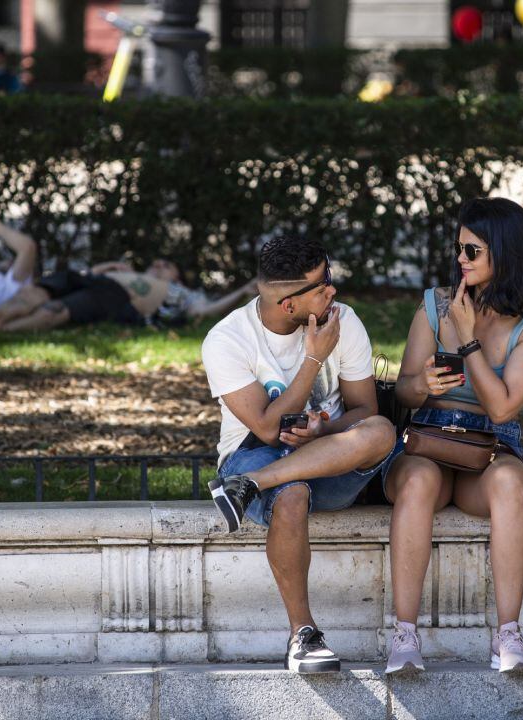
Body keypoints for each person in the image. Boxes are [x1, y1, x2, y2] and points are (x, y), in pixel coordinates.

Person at [202, 235, 396, 674]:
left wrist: (325, 430)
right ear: (289, 305)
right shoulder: (227, 340)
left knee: (381, 430)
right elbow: (268, 427)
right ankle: (303, 636)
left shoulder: (344, 321)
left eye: (329, 277)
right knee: (292, 495)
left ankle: (246, 489)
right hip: (254, 452)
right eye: (322, 285)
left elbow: (365, 409)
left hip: (330, 453)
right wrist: (313, 360)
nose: (333, 292)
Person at [383, 197, 523, 676]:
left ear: (504, 253)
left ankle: (508, 636)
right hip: (428, 444)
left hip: (490, 447)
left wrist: (467, 339)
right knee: (416, 482)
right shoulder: (435, 304)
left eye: (472, 250)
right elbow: (403, 391)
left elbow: (502, 405)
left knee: (510, 483)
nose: (461, 259)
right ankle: (404, 636)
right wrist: (423, 385)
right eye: (458, 248)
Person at [0, 257, 255, 331]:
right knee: (40, 290)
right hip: (92, 278)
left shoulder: (181, 293)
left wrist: (243, 291)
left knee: (60, 309)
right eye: (156, 261)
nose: (158, 264)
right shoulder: (131, 271)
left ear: (176, 277)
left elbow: (205, 312)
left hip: (114, 296)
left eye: (166, 265)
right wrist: (107, 268)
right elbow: (87, 275)